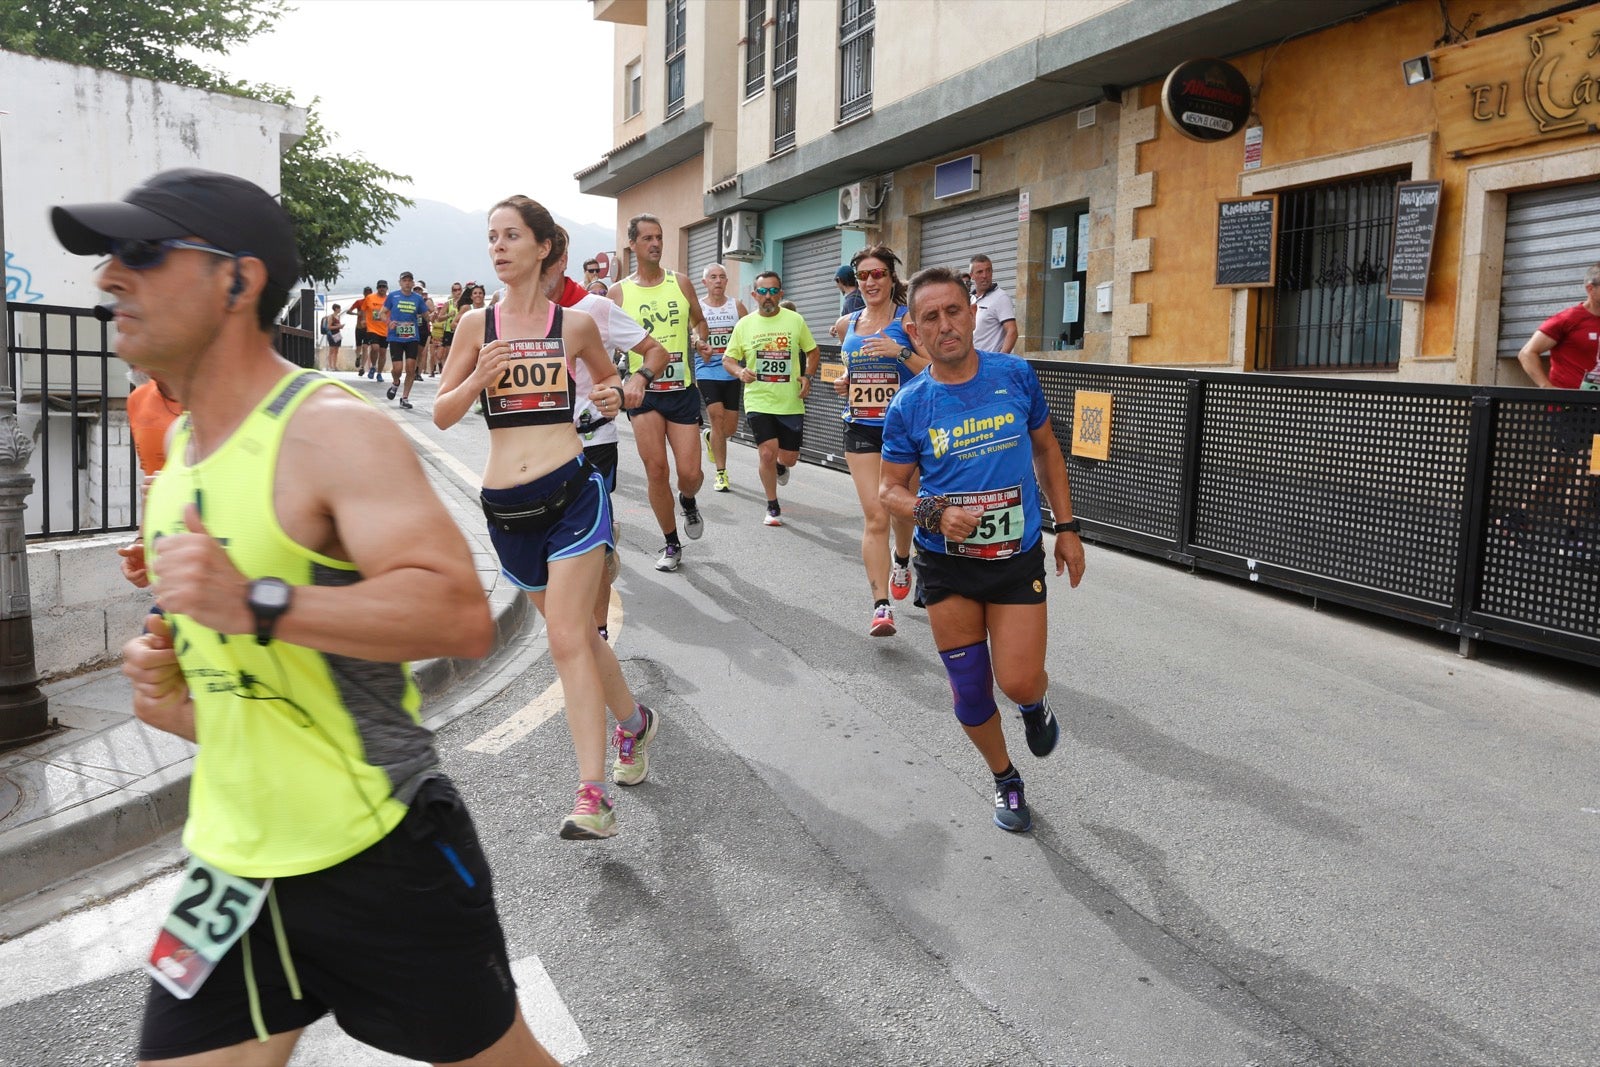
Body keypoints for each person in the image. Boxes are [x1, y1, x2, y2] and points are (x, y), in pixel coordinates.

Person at [54, 167, 557, 1065]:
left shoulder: (326, 426)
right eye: (107, 259)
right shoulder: (177, 451)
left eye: (139, 253)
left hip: (376, 851)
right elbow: (242, 703)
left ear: (236, 281)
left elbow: (456, 613)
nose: (108, 278)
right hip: (230, 869)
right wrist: (168, 692)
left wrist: (254, 600)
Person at [435, 195, 660, 840]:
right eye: (491, 237)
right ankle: (635, 724)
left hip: (571, 495)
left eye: (511, 236)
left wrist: (617, 393)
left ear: (542, 247)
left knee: (566, 637)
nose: (499, 247)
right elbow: (444, 413)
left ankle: (593, 796)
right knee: (581, 640)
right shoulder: (477, 326)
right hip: (508, 510)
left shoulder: (577, 326)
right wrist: (478, 376)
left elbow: (612, 390)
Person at [880, 265, 1086, 833]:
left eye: (953, 311)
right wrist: (935, 512)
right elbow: (889, 489)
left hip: (1015, 560)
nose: (945, 325)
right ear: (915, 333)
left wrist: (1066, 528)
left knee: (1018, 680)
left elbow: (1046, 450)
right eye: (930, 317)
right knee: (971, 693)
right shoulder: (911, 406)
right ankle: (1005, 779)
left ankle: (1033, 705)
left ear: (972, 315)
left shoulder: (1015, 376)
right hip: (947, 566)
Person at [543, 229, 670, 634]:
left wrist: (633, 383)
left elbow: (657, 351)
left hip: (592, 439)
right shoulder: (506, 313)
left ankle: (596, 631)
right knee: (555, 545)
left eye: (544, 259)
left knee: (589, 547)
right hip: (539, 447)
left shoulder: (592, 307)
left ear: (560, 260)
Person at [831, 246, 929, 638]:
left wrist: (900, 351)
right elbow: (849, 374)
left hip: (905, 429)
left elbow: (933, 370)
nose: (870, 282)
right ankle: (880, 606)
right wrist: (845, 384)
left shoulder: (909, 322)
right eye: (864, 276)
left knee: (904, 511)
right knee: (876, 515)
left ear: (892, 280)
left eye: (878, 275)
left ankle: (902, 558)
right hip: (861, 428)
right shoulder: (846, 324)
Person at [609, 213, 711, 572]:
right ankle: (670, 543)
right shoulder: (618, 292)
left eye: (660, 237)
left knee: (690, 474)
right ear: (633, 244)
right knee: (655, 470)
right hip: (643, 392)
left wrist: (699, 339)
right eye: (648, 238)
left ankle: (687, 499)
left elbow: (699, 319)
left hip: (681, 389)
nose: (655, 244)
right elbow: (605, 343)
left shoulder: (680, 283)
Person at [1507, 262, 1600, 555]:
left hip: (1597, 407)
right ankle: (1572, 537)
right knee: (1585, 466)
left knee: (1575, 469)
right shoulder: (1569, 319)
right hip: (1571, 408)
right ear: (1591, 289)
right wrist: (1547, 388)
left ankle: (1519, 517)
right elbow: (1527, 352)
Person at [721, 271, 819, 527]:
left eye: (773, 291)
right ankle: (772, 505)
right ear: (754, 295)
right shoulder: (745, 325)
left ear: (781, 294)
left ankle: (780, 466)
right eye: (762, 292)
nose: (768, 297)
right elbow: (728, 360)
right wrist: (740, 371)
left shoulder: (795, 320)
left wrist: (808, 376)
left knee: (788, 458)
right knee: (766, 452)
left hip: (790, 401)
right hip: (758, 399)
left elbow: (813, 350)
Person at [697, 263, 748, 493]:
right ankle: (721, 473)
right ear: (705, 282)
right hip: (707, 369)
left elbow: (750, 330)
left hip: (731, 370)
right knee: (716, 417)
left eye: (722, 277)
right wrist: (698, 343)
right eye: (713, 277)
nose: (718, 281)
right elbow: (689, 334)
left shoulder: (735, 305)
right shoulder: (697, 307)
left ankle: (710, 437)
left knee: (729, 429)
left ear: (726, 282)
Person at [383, 271, 433, 410]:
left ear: (412, 283)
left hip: (412, 337)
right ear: (400, 282)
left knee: (411, 368)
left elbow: (426, 316)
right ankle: (395, 382)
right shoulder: (393, 296)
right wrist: (388, 322)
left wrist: (434, 317)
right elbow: (381, 313)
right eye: (404, 280)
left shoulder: (417, 298)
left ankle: (404, 398)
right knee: (397, 368)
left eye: (409, 280)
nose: (407, 283)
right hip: (395, 337)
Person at [968, 254, 1017, 354]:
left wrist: (1000, 359)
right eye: (980, 272)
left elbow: (1012, 331)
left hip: (990, 363)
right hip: (971, 362)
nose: (985, 275)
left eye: (988, 270)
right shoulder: (971, 299)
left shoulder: (1001, 297)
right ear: (971, 276)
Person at [320, 302, 345, 372]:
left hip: (338, 334)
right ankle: (330, 366)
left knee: (336, 351)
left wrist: (340, 326)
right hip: (331, 334)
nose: (340, 310)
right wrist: (338, 326)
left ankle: (334, 366)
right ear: (336, 309)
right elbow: (329, 327)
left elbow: (337, 325)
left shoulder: (338, 316)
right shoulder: (331, 317)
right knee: (332, 350)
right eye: (339, 308)